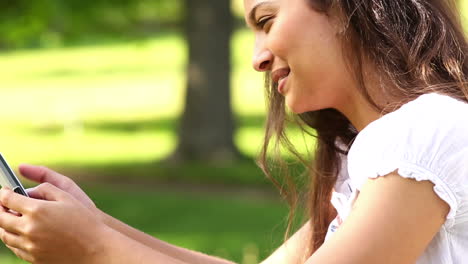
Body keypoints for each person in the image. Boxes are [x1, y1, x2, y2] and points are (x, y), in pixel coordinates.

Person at [0, 0, 467, 263]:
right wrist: (97, 223)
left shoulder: (426, 134)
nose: (257, 58)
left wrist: (93, 248)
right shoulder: (374, 157)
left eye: (266, 21)